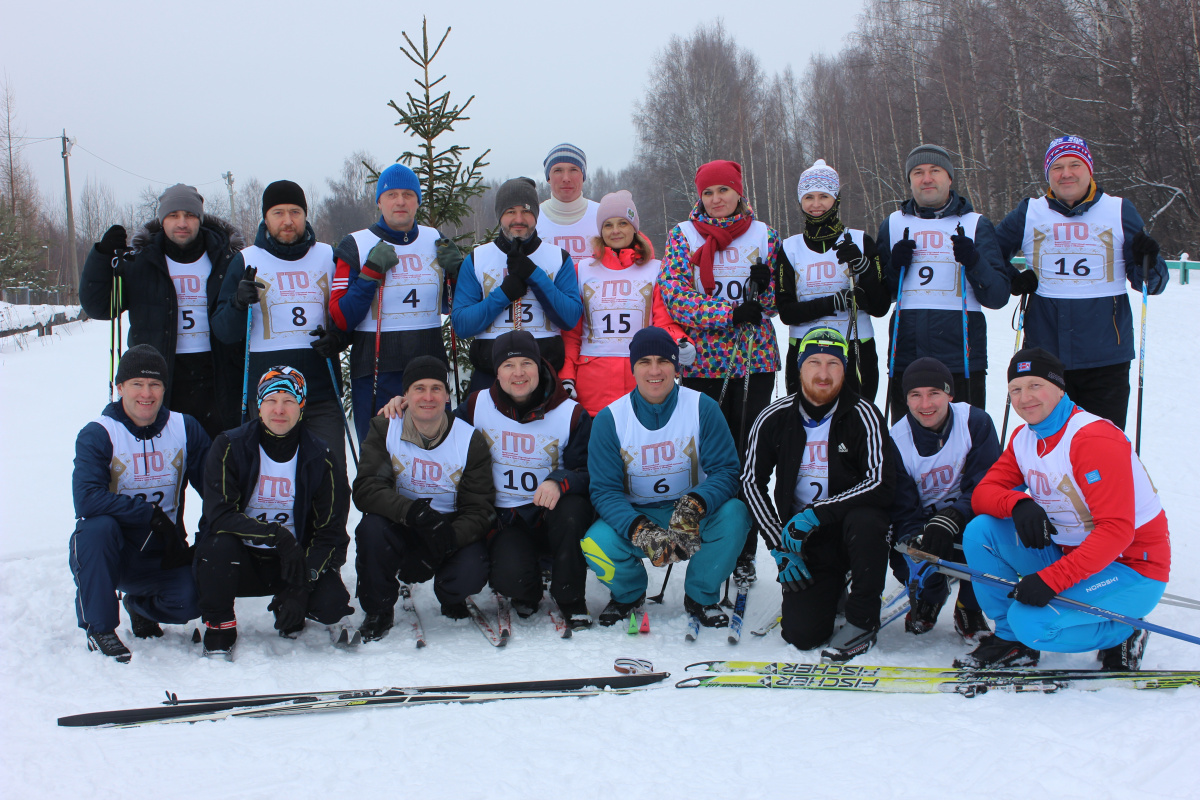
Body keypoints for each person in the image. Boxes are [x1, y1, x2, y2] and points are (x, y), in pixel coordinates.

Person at [956, 348, 1169, 670]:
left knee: (1035, 625)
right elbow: (984, 494)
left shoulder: (1092, 438)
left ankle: (1125, 628)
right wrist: (1019, 502)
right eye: (1016, 389)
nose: (1025, 397)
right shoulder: (1025, 437)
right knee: (980, 532)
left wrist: (1052, 580)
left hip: (1130, 567)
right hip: (1072, 553)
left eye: (1035, 385)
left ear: (1059, 389)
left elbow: (1116, 531)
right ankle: (1013, 642)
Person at [657, 159, 781, 584]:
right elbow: (676, 297)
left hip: (753, 360)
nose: (716, 200)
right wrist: (730, 312)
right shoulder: (683, 235)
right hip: (702, 363)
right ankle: (706, 539)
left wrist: (765, 290)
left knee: (747, 457)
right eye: (708, 193)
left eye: (723, 191)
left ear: (738, 193)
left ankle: (743, 549)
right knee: (706, 460)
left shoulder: (765, 235)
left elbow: (775, 303)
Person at [742, 327, 896, 662]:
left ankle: (862, 620)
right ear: (799, 367)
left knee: (869, 520)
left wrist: (817, 512)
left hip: (851, 528)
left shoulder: (863, 414)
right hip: (804, 541)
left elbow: (881, 480)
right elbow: (751, 482)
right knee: (802, 635)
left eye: (833, 364)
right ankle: (832, 589)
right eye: (814, 362)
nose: (823, 374)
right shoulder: (773, 417)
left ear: (845, 369)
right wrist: (778, 545)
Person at [995, 135, 1169, 430]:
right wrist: (1014, 278)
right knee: (1049, 446)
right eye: (1057, 167)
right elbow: (990, 253)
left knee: (1102, 446)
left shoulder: (1119, 210)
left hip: (1106, 357)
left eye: (1075, 164)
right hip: (1045, 355)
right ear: (1048, 174)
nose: (1066, 173)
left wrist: (1148, 262)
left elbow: (1150, 285)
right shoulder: (1030, 212)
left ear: (1089, 170)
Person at [582, 328, 749, 628]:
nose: (655, 370)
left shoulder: (702, 408)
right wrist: (638, 528)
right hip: (639, 512)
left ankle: (701, 594)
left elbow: (726, 471)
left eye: (663, 361)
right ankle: (629, 593)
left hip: (693, 513)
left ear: (676, 365)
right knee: (595, 542)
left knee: (735, 515)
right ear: (633, 368)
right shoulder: (611, 419)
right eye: (644, 361)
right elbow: (605, 492)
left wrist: (694, 505)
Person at [195, 366, 353, 659]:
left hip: (292, 562)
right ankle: (220, 625)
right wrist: (277, 535)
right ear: (259, 405)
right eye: (271, 400)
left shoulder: (321, 456)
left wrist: (302, 586)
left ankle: (289, 605)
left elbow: (330, 532)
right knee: (216, 546)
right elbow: (219, 514)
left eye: (289, 400)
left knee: (332, 604)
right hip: (240, 559)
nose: (279, 409)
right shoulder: (230, 445)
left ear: (301, 406)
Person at [69, 345, 208, 662]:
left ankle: (139, 605)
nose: (146, 394)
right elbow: (86, 500)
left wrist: (208, 540)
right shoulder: (99, 434)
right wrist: (145, 513)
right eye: (137, 384)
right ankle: (100, 627)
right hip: (114, 552)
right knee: (95, 529)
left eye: (155, 384)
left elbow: (215, 489)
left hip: (163, 552)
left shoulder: (185, 428)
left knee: (192, 600)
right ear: (120, 388)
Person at [453, 331, 594, 627]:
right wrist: (404, 406)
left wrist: (559, 481)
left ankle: (570, 597)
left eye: (526, 363)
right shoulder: (477, 405)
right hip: (509, 517)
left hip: (552, 513)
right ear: (497, 371)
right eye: (508, 365)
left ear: (539, 365)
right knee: (511, 578)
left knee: (573, 511)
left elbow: (587, 471)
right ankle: (526, 590)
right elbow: (440, 431)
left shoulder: (570, 413)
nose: (518, 373)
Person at [79, 184, 244, 438]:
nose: (182, 223)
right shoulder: (141, 260)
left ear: (200, 218)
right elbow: (100, 306)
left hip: (217, 373)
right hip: (161, 375)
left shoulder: (228, 257)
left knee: (216, 469)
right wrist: (103, 257)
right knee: (166, 467)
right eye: (173, 215)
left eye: (189, 215)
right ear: (162, 219)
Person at [211, 181, 349, 474]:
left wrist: (337, 338)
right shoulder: (247, 259)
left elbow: (347, 314)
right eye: (278, 213)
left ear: (305, 215)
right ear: (265, 218)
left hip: (321, 393)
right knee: (273, 483)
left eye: (295, 212)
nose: (288, 221)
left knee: (330, 477)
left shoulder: (327, 256)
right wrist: (238, 303)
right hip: (269, 400)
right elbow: (223, 331)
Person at [352, 356, 494, 640]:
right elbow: (367, 488)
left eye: (436, 388)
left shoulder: (469, 439)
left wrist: (443, 542)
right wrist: (412, 512)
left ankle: (451, 594)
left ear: (446, 395)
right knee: (371, 529)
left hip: (447, 526)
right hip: (402, 520)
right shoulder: (385, 428)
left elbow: (479, 509)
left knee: (471, 566)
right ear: (405, 395)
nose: (428, 397)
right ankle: (378, 609)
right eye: (419, 388)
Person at [327, 163, 464, 441]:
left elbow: (453, 306)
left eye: (408, 194)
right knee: (379, 455)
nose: (400, 201)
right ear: (379, 201)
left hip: (428, 365)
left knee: (432, 450)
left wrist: (458, 275)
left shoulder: (435, 239)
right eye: (391, 194)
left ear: (418, 201)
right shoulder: (356, 244)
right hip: (376, 367)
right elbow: (341, 317)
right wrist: (369, 275)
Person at [877, 144, 1010, 422]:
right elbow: (879, 298)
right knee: (907, 446)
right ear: (910, 180)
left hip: (960, 359)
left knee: (966, 442)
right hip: (907, 356)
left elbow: (997, 296)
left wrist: (974, 261)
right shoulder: (893, 224)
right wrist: (893, 266)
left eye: (935, 171)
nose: (927, 178)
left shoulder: (976, 224)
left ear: (949, 178)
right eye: (918, 172)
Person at [887, 357, 1000, 642]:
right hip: (924, 522)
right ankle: (933, 595)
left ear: (949, 393)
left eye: (934, 393)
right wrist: (915, 536)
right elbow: (902, 504)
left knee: (992, 535)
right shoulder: (895, 440)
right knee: (908, 558)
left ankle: (969, 607)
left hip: (967, 516)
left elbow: (987, 485)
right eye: (916, 395)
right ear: (906, 399)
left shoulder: (975, 422)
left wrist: (955, 516)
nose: (925, 405)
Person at [561, 190, 692, 415]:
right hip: (593, 384)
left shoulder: (655, 269)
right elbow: (571, 333)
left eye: (623, 223)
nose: (615, 231)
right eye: (608, 225)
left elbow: (663, 322)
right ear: (600, 231)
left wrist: (681, 341)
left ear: (634, 228)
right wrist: (566, 376)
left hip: (642, 379)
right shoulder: (581, 270)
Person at [451, 178, 582, 391]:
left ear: (536, 216)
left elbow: (569, 317)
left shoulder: (558, 258)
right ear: (500, 215)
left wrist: (534, 275)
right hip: (490, 375)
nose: (518, 219)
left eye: (526, 211)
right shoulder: (478, 258)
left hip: (544, 374)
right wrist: (503, 294)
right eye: (511, 211)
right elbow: (463, 325)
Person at [776, 160, 890, 399]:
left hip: (855, 346)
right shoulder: (789, 247)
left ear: (835, 199)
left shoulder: (860, 241)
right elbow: (786, 313)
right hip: (805, 348)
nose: (816, 205)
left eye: (823, 196)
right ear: (800, 201)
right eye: (808, 197)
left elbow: (880, 306)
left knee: (856, 425)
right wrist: (833, 303)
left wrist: (864, 267)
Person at [537, 143, 598, 267]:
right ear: (548, 177)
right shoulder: (534, 218)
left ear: (583, 176)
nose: (566, 178)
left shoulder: (603, 215)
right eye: (558, 170)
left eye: (573, 170)